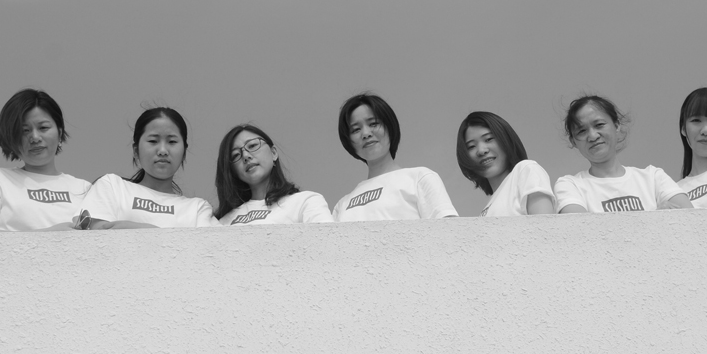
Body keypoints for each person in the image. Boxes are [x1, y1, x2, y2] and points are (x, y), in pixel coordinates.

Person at [0, 89, 91, 232]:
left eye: (43, 128)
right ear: (11, 138)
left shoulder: (85, 189)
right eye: (24, 131)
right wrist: (49, 235)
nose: (35, 138)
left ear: (60, 132)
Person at [78, 107, 216, 229]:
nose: (163, 151)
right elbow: (94, 233)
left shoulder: (197, 209)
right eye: (153, 141)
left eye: (172, 141)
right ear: (136, 150)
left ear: (184, 151)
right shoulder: (112, 187)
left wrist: (126, 227)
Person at [331, 93, 458, 221]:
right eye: (356, 130)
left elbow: (449, 230)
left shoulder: (420, 179)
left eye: (373, 124)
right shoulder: (341, 206)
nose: (366, 133)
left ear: (389, 127)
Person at [555, 95, 692, 213]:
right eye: (581, 131)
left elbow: (692, 220)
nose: (593, 136)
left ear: (616, 125)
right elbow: (581, 230)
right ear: (573, 141)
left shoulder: (654, 178)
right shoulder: (569, 185)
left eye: (599, 125)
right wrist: (655, 217)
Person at [213, 124, 332, 225]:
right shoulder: (223, 223)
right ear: (233, 171)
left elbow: (327, 241)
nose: (246, 156)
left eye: (252, 146)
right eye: (235, 155)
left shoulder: (305, 202)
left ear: (274, 153)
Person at [455, 111, 554, 216]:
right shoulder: (490, 206)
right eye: (471, 146)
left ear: (506, 139)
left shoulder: (526, 170)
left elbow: (544, 224)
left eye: (488, 139)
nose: (481, 150)